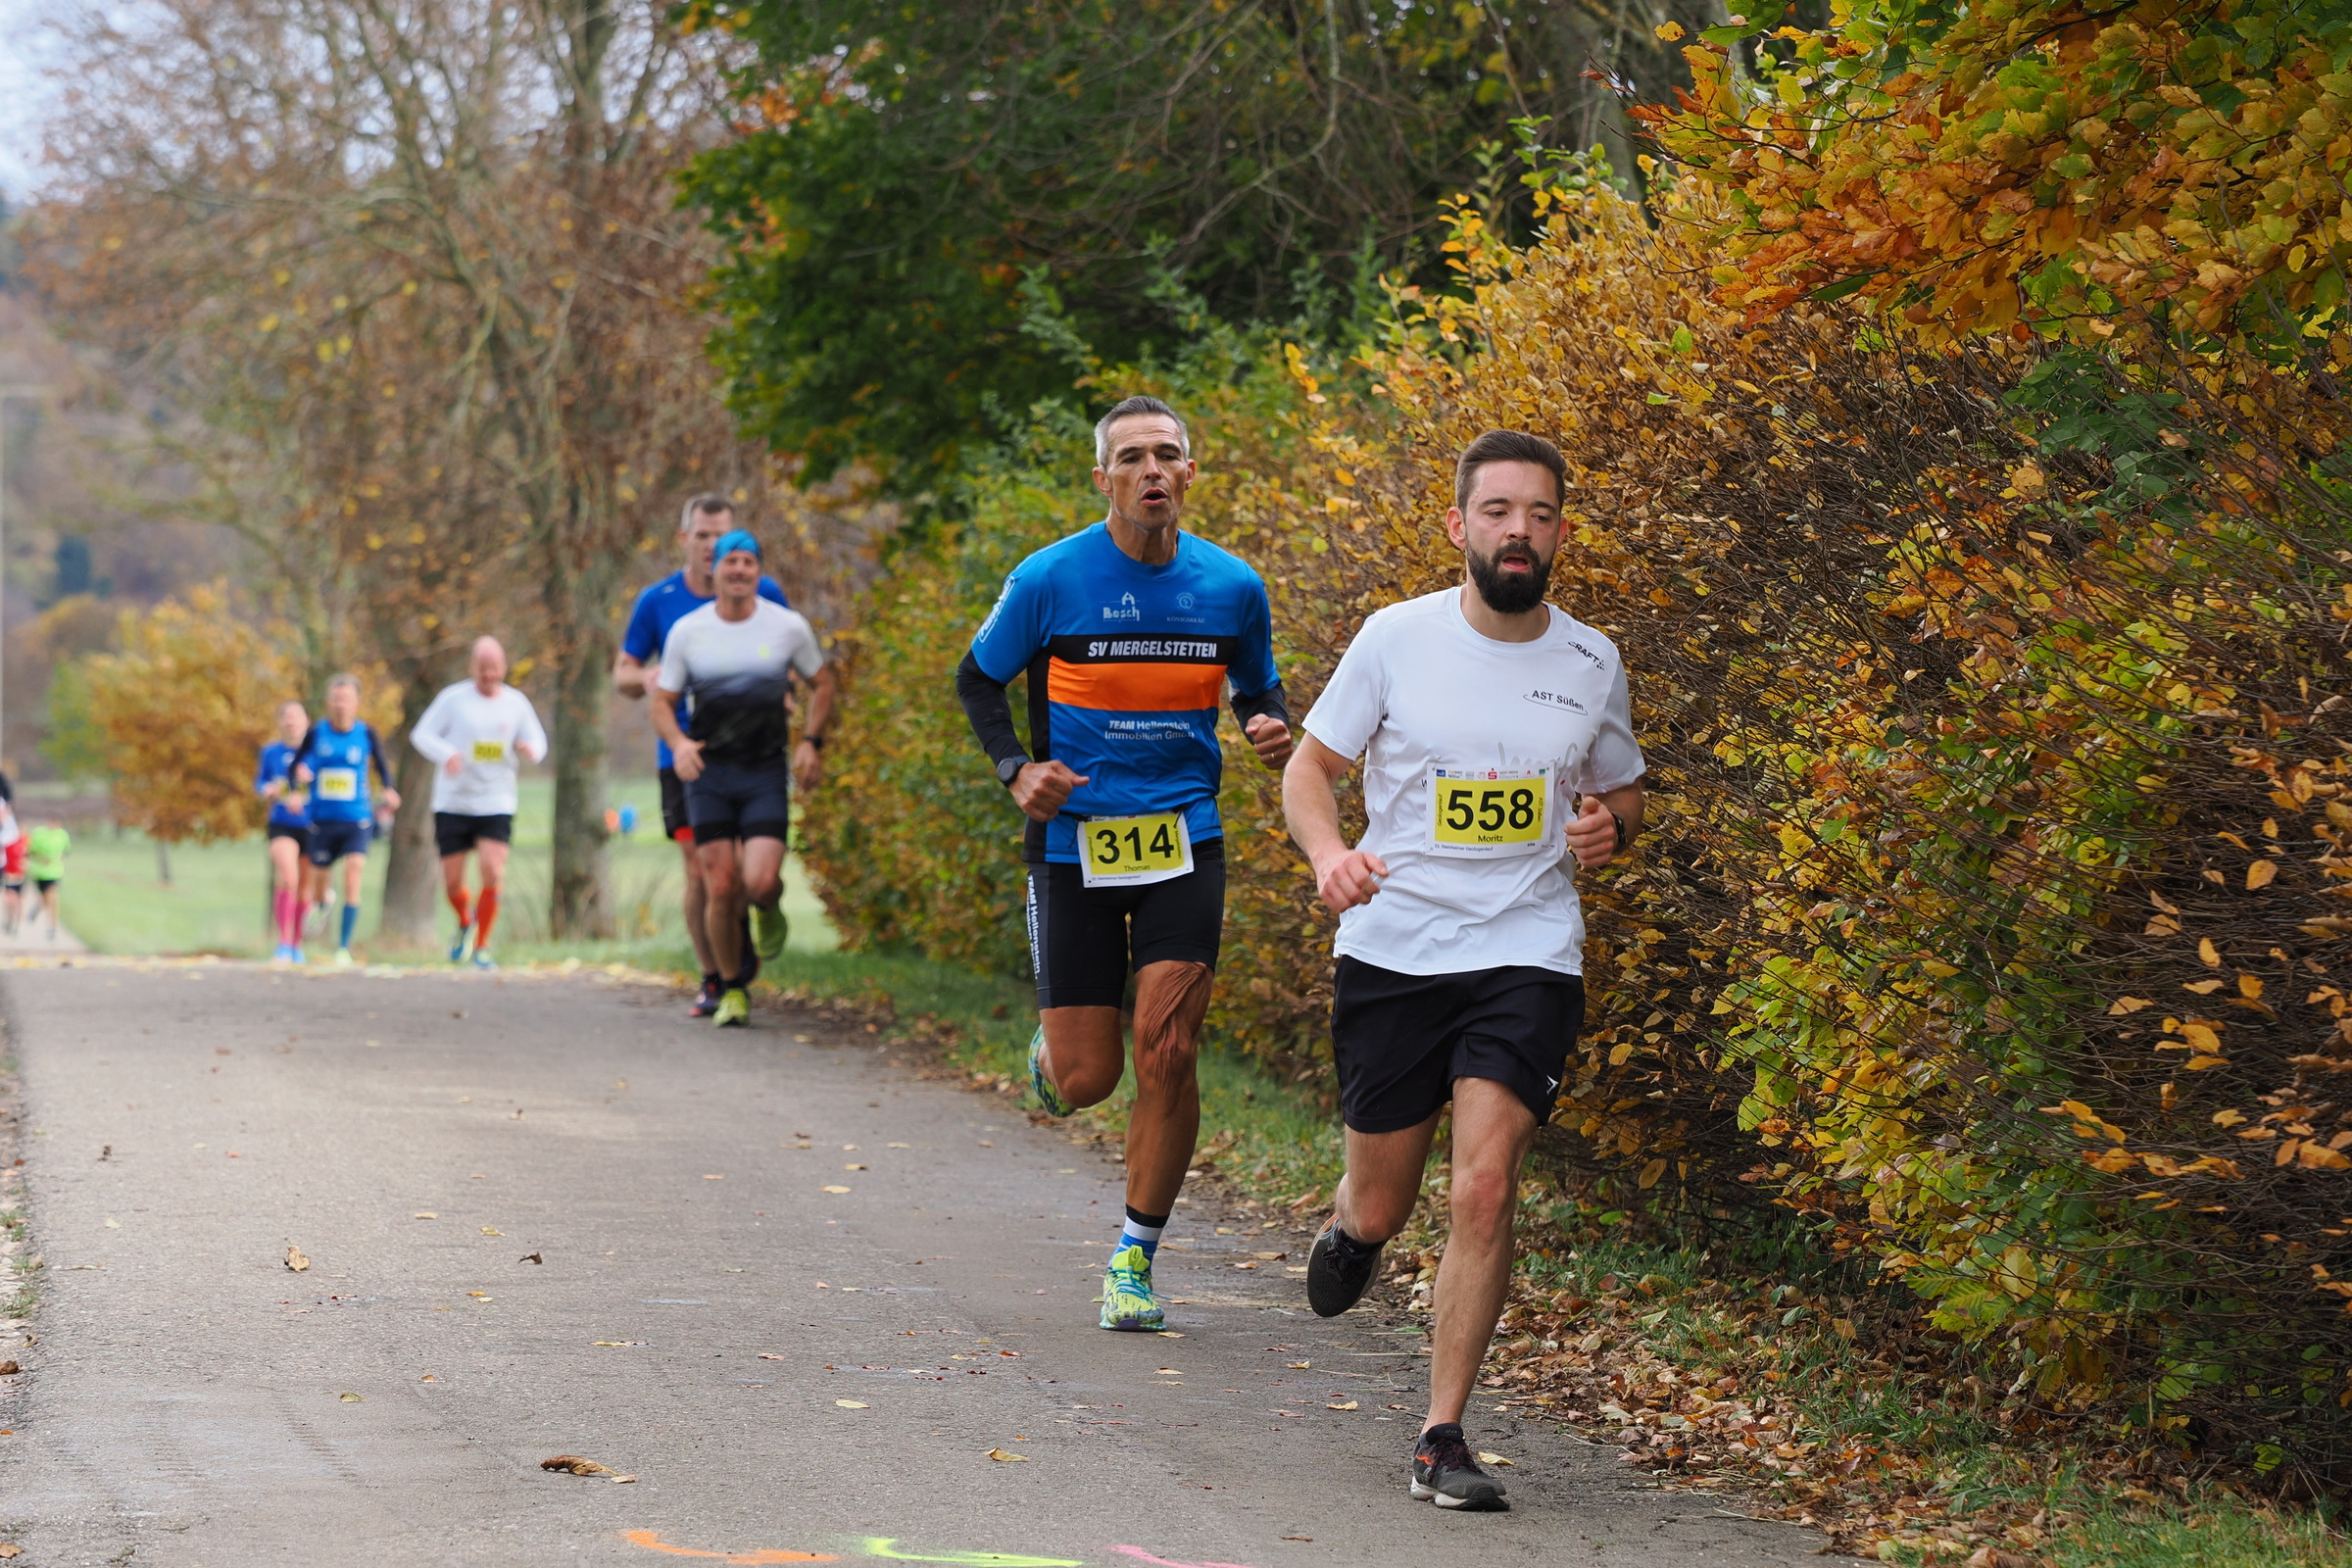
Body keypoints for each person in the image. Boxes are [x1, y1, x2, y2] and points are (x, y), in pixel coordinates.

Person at [1282, 429, 1646, 1511]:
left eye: (1539, 514)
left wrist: (1611, 828)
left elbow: (1622, 790)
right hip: (1396, 951)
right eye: (1497, 511)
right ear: (1459, 527)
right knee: (1386, 1203)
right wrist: (1330, 856)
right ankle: (1354, 1226)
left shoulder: (1592, 660)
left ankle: (1441, 1435)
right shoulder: (1396, 639)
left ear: (1561, 532)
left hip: (1527, 950)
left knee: (1484, 1185)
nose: (1518, 531)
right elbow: (1310, 769)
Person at [956, 394, 1292, 1333]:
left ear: (1189, 473)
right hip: (1074, 842)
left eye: (1167, 455)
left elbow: (1258, 688)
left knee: (1169, 1048)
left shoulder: (1232, 586)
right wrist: (1016, 769)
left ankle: (1134, 1260)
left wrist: (1269, 724)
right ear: (1102, 478)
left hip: (1184, 836)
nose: (1152, 471)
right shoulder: (1050, 578)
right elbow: (977, 679)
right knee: (1087, 1080)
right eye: (1133, 457)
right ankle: (1052, 1056)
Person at [615, 494, 795, 1016]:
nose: (713, 546)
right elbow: (622, 674)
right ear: (684, 539)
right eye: (703, 536)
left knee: (744, 873)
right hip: (685, 755)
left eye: (722, 536)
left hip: (752, 754)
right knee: (702, 871)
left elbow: (788, 655)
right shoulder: (658, 601)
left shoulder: (765, 592)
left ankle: (744, 927)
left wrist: (784, 694)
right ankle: (717, 977)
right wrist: (647, 677)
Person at [650, 527, 832, 1028]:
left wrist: (811, 742)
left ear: (758, 572)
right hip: (709, 772)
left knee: (760, 881)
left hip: (763, 771)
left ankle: (769, 908)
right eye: (730, 561)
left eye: (748, 562)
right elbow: (662, 702)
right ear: (715, 570)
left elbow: (822, 683)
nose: (738, 570)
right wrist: (679, 744)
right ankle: (732, 988)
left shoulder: (787, 627)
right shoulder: (688, 631)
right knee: (720, 884)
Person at [409, 636, 548, 970]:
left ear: (504, 667)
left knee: (493, 870)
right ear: (472, 667)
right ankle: (465, 920)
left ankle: (482, 946)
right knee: (452, 883)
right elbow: (421, 734)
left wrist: (531, 750)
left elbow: (538, 740)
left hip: (496, 800)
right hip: (454, 801)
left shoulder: (515, 703)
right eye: (483, 667)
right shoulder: (453, 699)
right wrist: (446, 753)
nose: (489, 674)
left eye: (495, 667)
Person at [292, 673, 401, 966]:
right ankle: (322, 901)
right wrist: (296, 786)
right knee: (319, 881)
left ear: (356, 703)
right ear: (329, 702)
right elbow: (296, 766)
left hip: (357, 818)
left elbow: (382, 765)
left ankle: (343, 946)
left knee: (353, 874)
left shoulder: (366, 733)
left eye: (347, 699)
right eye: (336, 699)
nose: (341, 705)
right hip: (322, 819)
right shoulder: (316, 732)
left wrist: (389, 789)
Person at [257, 700, 318, 963]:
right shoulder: (271, 752)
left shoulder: (317, 753)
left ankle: (296, 944)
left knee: (305, 887)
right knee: (288, 878)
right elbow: (261, 782)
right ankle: (283, 942)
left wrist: (311, 781)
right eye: (286, 716)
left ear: (306, 721)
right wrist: (267, 790)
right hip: (282, 824)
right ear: (280, 722)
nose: (291, 721)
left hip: (313, 824)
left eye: (296, 716)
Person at [24, 818, 70, 942]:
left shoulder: (62, 835)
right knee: (47, 898)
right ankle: (38, 907)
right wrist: (41, 858)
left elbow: (66, 851)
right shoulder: (39, 834)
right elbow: (30, 852)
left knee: (53, 899)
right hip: (40, 873)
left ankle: (52, 928)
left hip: (55, 873)